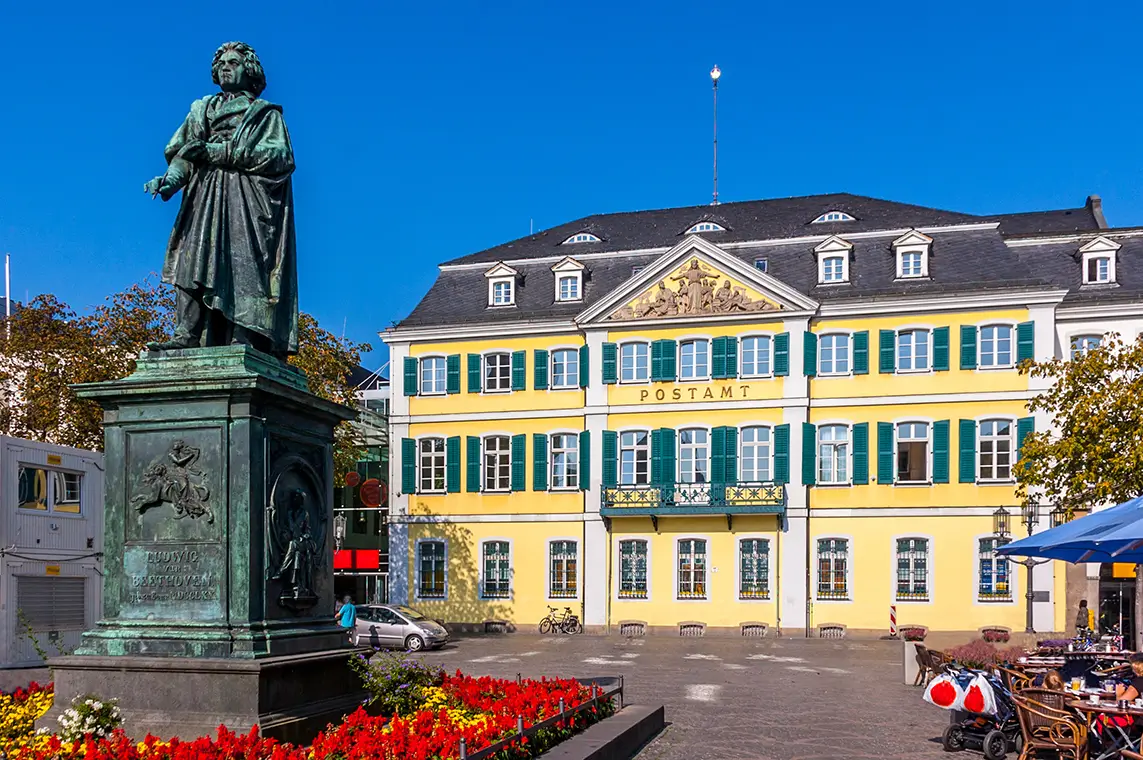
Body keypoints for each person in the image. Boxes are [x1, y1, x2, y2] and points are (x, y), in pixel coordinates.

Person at [144, 41, 298, 358]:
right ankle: (186, 333)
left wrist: (220, 152)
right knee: (191, 258)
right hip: (204, 196)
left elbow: (279, 156)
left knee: (245, 265)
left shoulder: (265, 115)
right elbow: (183, 155)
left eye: (234, 62)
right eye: (222, 63)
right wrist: (168, 181)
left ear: (250, 70)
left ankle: (246, 335)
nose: (226, 67)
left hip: (246, 199)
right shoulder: (202, 110)